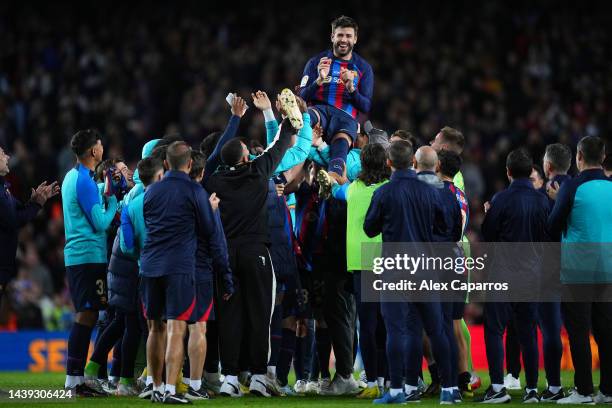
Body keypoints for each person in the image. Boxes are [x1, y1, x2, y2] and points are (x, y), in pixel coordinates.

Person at [204, 116, 296, 398]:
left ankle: (230, 377)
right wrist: (290, 123)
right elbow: (280, 147)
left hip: (227, 255)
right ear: (246, 157)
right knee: (260, 315)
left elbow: (209, 162)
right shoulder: (258, 173)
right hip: (256, 253)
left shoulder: (213, 179)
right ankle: (258, 376)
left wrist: (233, 119)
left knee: (230, 316)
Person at [140, 141, 232, 404]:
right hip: (179, 267)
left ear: (166, 163)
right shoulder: (195, 192)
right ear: (190, 164)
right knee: (176, 329)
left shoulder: (151, 191)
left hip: (149, 266)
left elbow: (150, 223)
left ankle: (155, 387)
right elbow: (207, 230)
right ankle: (170, 390)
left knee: (155, 328)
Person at [364, 140, 452, 405]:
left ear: (389, 163)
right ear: (412, 163)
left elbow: (369, 229)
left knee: (396, 331)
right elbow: (443, 225)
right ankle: (449, 391)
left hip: (395, 270)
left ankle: (397, 392)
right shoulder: (430, 191)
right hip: (425, 268)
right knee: (436, 330)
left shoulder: (383, 193)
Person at [479, 148, 549, 404]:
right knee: (528, 332)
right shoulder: (542, 201)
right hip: (532, 273)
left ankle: (498, 387)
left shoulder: (500, 200)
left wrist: (489, 214)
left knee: (495, 330)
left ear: (508, 172)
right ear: (530, 172)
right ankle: (532, 390)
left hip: (503, 273)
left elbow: (489, 235)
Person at [547, 136, 612, 404]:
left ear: (579, 157)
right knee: (606, 331)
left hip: (578, 270)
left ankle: (584, 390)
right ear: (604, 157)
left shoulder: (571, 187)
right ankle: (608, 391)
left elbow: (552, 227)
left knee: (578, 330)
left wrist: (556, 199)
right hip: (608, 269)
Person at [327, 142, 390, 399]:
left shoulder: (353, 189)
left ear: (362, 164)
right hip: (386, 264)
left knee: (367, 324)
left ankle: (372, 380)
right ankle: (388, 380)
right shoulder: (388, 189)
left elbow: (336, 191)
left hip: (361, 265)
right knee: (386, 326)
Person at [61, 129, 118, 396]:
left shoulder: (73, 177)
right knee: (86, 314)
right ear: (93, 152)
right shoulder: (83, 180)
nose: (102, 147)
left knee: (89, 314)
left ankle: (76, 377)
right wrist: (113, 201)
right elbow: (100, 223)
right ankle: (74, 379)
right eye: (100, 144)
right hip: (87, 256)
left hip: (79, 256)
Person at [299, 15, 374, 191]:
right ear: (332, 36)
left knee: (341, 142)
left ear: (355, 39)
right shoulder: (316, 62)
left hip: (346, 117)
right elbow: (302, 95)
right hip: (320, 111)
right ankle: (285, 160)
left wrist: (351, 89)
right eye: (340, 35)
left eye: (348, 36)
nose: (344, 40)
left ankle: (334, 177)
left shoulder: (363, 68)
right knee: (305, 117)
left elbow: (366, 106)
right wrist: (318, 80)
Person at [414, 146, 463, 403]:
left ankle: (410, 385)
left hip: (423, 263)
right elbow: (456, 231)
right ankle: (450, 385)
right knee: (444, 327)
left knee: (414, 325)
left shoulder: (414, 192)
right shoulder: (452, 195)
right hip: (450, 260)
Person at [0, 146, 58, 300]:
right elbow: (14, 221)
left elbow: (16, 212)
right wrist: (37, 204)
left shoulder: (4, 186)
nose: (7, 157)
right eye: (2, 154)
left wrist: (35, 201)